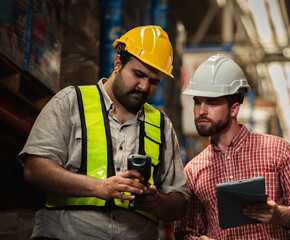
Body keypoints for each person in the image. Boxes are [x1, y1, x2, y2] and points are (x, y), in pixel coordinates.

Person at [18, 25, 189, 240]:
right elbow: (35, 170)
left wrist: (156, 202)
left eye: (154, 81)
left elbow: (180, 203)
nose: (144, 87)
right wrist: (99, 187)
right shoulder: (71, 102)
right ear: (118, 63)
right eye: (138, 74)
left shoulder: (163, 126)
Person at [174, 54, 290, 240]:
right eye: (197, 102)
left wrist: (279, 214)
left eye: (211, 103)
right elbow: (184, 232)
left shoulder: (277, 150)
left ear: (234, 108)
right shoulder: (193, 171)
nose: (201, 111)